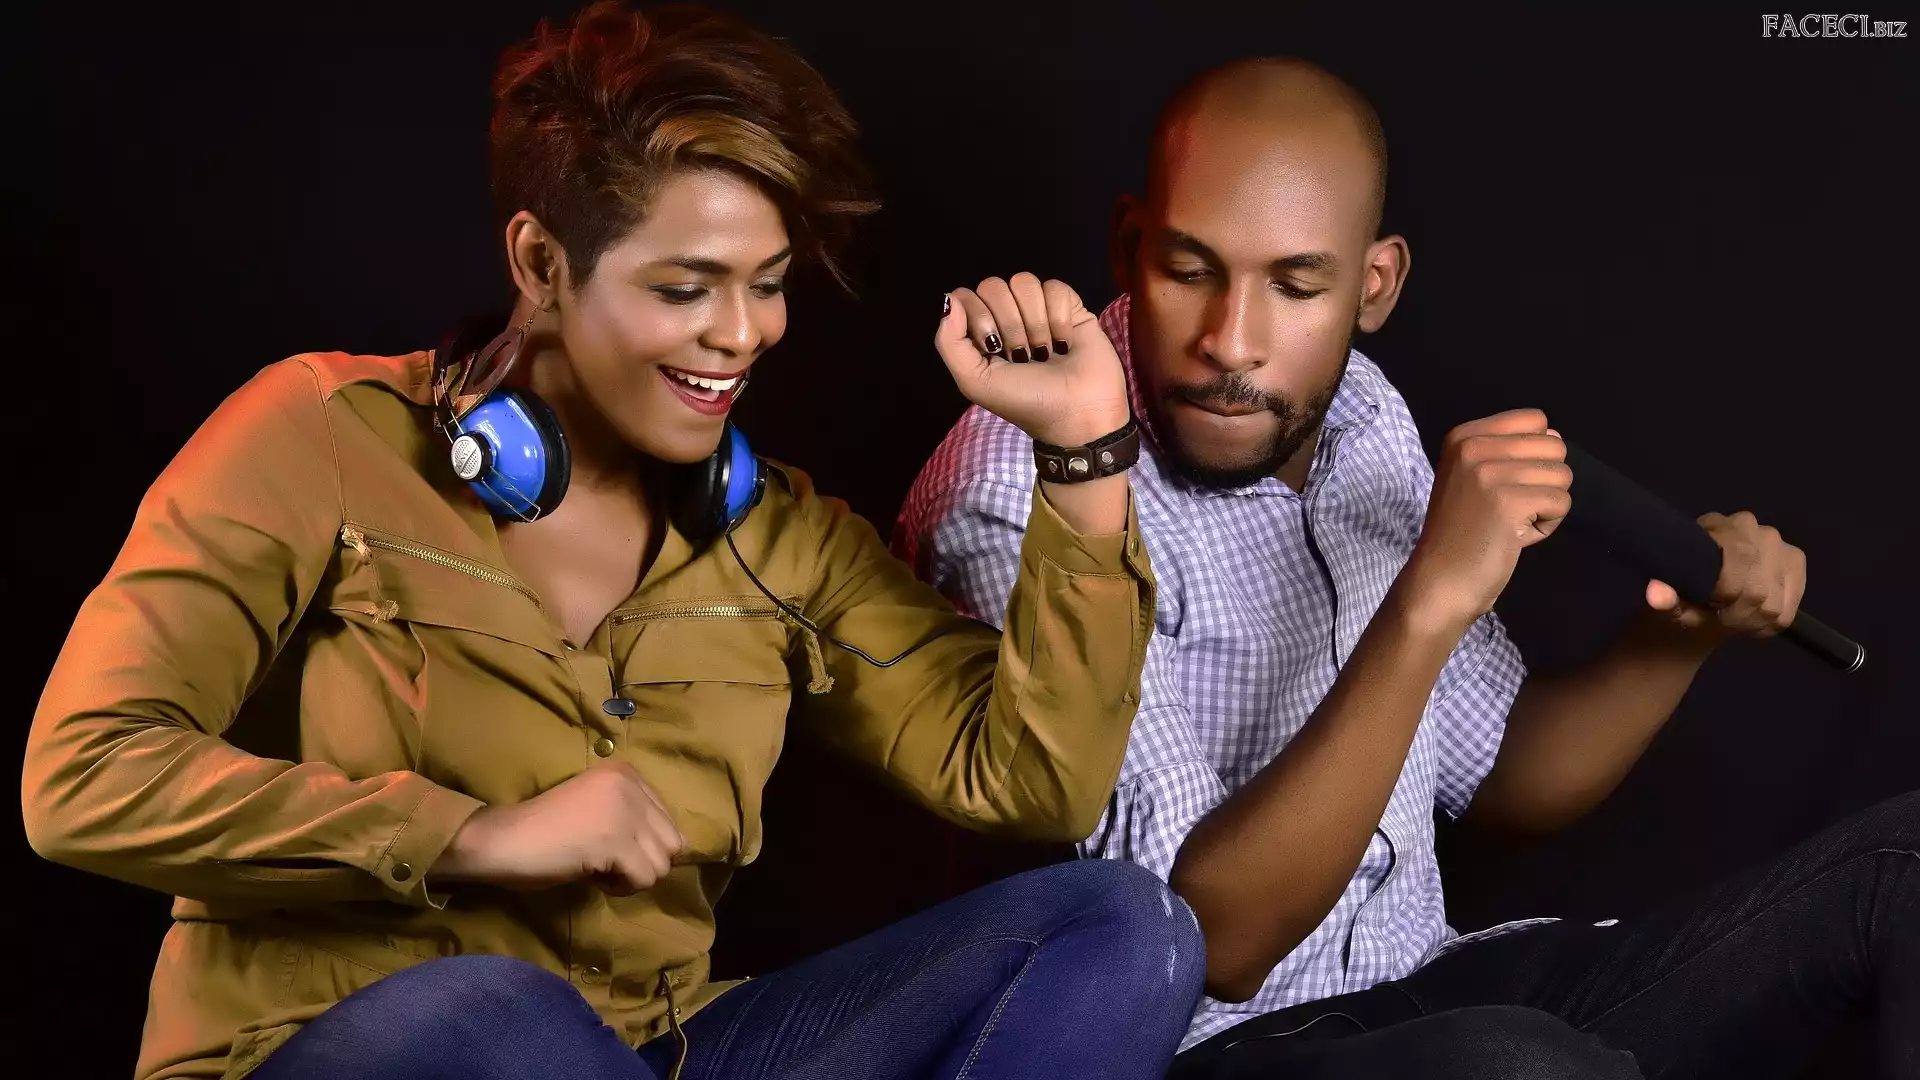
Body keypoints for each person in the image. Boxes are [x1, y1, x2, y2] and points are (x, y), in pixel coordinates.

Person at [21, 5, 1208, 1079]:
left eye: (769, 284)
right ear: (542, 263)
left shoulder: (779, 539)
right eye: (687, 288)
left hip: (653, 1052)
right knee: (496, 1012)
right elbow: (83, 776)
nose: (742, 335)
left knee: (1118, 924)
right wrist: (471, 835)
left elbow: (1030, 784)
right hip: (338, 1047)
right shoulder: (320, 436)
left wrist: (1085, 454)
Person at [894, 56, 1917, 1080]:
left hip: (1419, 991)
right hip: (1187, 1053)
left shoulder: (1357, 413)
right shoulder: (1020, 490)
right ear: (1129, 247)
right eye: (1190, 270)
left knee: (1904, 867)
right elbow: (1213, 944)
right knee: (1522, 1067)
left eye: (1297, 285)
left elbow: (1505, 777)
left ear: (1373, 286)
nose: (1231, 343)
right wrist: (1430, 598)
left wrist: (1679, 636)